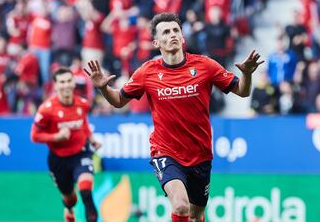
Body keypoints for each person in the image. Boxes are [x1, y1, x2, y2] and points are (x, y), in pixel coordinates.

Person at [84, 13, 263, 222]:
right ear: (156, 42)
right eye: (166, 32)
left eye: (176, 30)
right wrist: (104, 88)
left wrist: (248, 74)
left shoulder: (205, 66)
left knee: (196, 216)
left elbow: (242, 91)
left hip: (200, 154)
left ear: (183, 37)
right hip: (166, 151)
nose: (172, 35)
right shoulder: (146, 72)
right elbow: (118, 101)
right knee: (180, 205)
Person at [30, 68, 101, 222]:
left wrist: (91, 137)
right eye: (62, 82)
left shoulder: (82, 104)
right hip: (58, 159)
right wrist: (57, 136)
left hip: (81, 153)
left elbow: (83, 123)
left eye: (69, 81)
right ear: (55, 86)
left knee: (86, 193)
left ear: (74, 82)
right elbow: (34, 136)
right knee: (71, 199)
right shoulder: (46, 109)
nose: (66, 85)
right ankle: (69, 210)